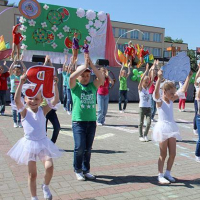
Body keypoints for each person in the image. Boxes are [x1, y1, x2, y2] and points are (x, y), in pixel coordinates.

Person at [7, 72, 61, 200]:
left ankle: (45, 186)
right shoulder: (24, 112)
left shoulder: (43, 110)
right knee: (33, 174)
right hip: (29, 144)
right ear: (25, 99)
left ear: (41, 100)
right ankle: (34, 197)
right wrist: (20, 82)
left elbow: (55, 100)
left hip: (42, 143)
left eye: (36, 99)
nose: (33, 101)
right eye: (30, 98)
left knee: (50, 166)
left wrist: (54, 85)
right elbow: (16, 100)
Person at [152, 69, 192, 184]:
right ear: (164, 91)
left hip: (172, 128)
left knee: (173, 153)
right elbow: (155, 94)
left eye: (174, 93)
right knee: (163, 154)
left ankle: (167, 173)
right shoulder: (160, 101)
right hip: (162, 128)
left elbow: (183, 90)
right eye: (171, 93)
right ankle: (160, 175)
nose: (173, 95)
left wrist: (188, 77)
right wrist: (159, 79)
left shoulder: (171, 100)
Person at [69, 55, 104, 181]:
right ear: (79, 77)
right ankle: (77, 170)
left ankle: (86, 170)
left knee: (88, 148)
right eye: (83, 75)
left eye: (87, 75)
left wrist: (92, 66)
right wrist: (84, 66)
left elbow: (101, 78)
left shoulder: (92, 87)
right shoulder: (75, 87)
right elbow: (71, 77)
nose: (85, 78)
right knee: (79, 147)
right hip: (78, 122)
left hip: (91, 122)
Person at [43, 55, 61, 143]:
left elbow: (54, 73)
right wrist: (45, 63)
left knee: (57, 128)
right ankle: (44, 144)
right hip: (43, 108)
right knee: (44, 130)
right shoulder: (42, 83)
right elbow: (41, 71)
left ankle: (52, 143)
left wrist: (50, 63)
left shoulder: (53, 83)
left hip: (52, 109)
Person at [138, 63, 154, 142]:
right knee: (141, 122)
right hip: (142, 107)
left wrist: (152, 69)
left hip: (148, 108)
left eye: (148, 81)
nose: (147, 82)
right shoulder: (140, 88)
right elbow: (141, 80)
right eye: (146, 81)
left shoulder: (148, 88)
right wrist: (147, 70)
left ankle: (145, 135)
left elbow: (152, 79)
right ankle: (140, 136)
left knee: (148, 123)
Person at [10, 56, 27, 128]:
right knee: (14, 109)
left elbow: (25, 70)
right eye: (16, 71)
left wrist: (21, 62)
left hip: (20, 94)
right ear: (14, 71)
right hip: (13, 93)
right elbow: (10, 69)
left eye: (19, 71)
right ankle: (15, 121)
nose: (17, 72)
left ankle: (19, 121)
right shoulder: (12, 76)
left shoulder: (21, 76)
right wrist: (14, 62)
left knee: (20, 108)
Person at [193, 64, 200, 135]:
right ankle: (195, 128)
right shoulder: (197, 85)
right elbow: (196, 78)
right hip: (197, 101)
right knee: (197, 114)